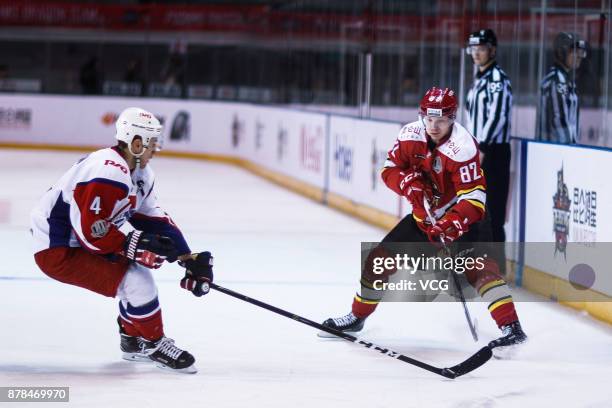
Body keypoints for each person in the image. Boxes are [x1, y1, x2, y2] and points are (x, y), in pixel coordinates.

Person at [322, 87, 527, 353]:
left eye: (440, 120)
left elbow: (474, 201)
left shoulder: (463, 148)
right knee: (379, 259)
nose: (433, 126)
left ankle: (511, 327)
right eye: (428, 119)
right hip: (424, 220)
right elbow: (389, 169)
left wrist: (453, 223)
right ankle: (357, 317)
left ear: (452, 118)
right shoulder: (410, 134)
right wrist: (406, 184)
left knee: (480, 270)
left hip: (465, 221)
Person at [30, 107, 214, 373]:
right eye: (152, 144)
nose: (155, 149)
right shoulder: (107, 170)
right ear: (136, 143)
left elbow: (153, 216)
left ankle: (132, 340)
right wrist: (134, 245)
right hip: (58, 248)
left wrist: (187, 257)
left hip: (78, 239)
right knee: (137, 281)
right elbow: (90, 231)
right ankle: (154, 344)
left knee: (135, 276)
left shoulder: (140, 174)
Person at [465, 29, 512, 275]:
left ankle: (497, 271)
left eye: (481, 48)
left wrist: (481, 148)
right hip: (477, 151)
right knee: (475, 209)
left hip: (492, 153)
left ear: (492, 50)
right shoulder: (479, 80)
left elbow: (497, 116)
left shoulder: (497, 79)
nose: (476, 53)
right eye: (473, 49)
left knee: (492, 210)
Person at [537, 32, 588, 144]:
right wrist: (569, 149)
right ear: (561, 53)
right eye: (574, 51)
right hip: (555, 151)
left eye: (580, 52)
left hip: (563, 151)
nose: (579, 56)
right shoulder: (556, 80)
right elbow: (559, 120)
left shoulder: (567, 81)